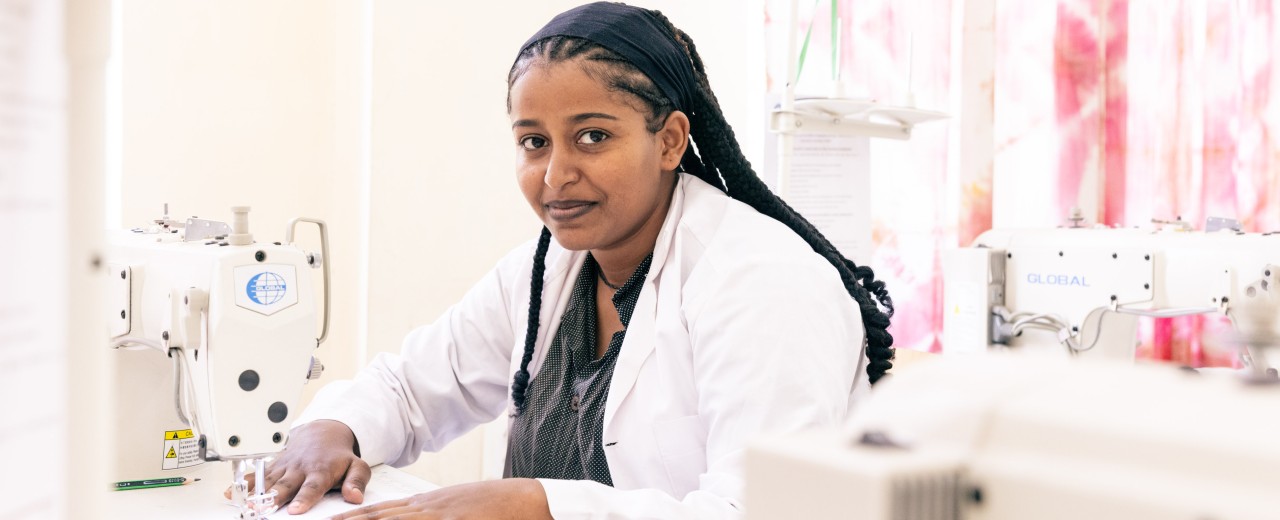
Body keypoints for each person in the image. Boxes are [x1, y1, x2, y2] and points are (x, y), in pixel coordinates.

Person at [243, 2, 894, 518]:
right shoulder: (547, 270)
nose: (555, 174)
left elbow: (764, 510)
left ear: (670, 141)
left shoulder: (763, 284)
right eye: (534, 142)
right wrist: (333, 427)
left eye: (593, 136)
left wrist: (538, 504)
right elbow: (410, 387)